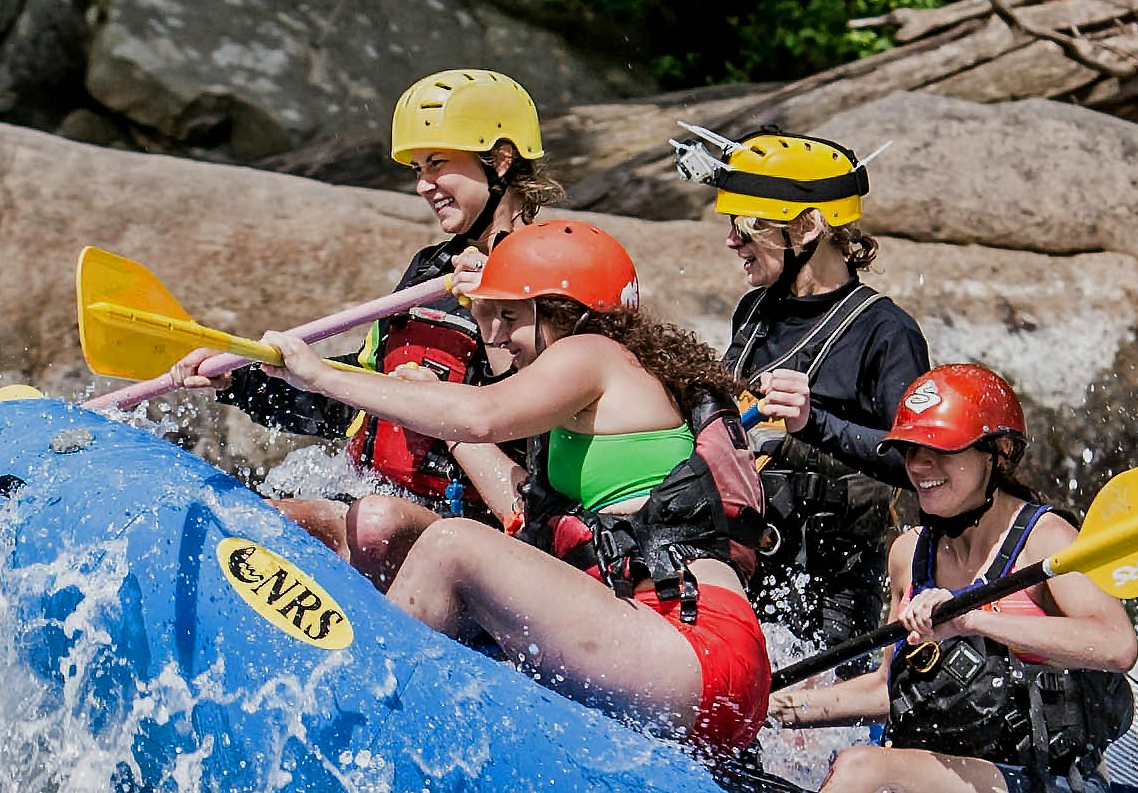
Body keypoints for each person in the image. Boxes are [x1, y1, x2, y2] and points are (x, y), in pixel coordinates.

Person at [208, 219, 773, 756]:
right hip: (662, 652)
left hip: (693, 652)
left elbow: (479, 415)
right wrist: (429, 405)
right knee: (384, 517)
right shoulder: (603, 396)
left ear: (562, 311)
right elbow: (519, 511)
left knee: (452, 544)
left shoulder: (591, 351)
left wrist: (320, 373)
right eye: (488, 316)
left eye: (509, 315)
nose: (497, 338)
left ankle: (349, 715)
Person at [763, 364, 1138, 793]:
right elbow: (885, 688)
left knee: (863, 767)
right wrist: (779, 710)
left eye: (941, 450)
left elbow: (1117, 645)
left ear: (997, 454)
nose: (920, 466)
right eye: (911, 451)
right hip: (944, 782)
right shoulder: (909, 554)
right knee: (773, 755)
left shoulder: (1045, 542)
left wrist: (973, 619)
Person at [215, 68, 540, 583]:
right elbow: (355, 396)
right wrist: (245, 380)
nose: (423, 185)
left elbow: (542, 438)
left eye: (437, 164)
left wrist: (443, 401)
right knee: (248, 524)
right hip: (373, 492)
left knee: (374, 523)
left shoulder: (552, 277)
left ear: (499, 159)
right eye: (417, 168)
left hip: (472, 529)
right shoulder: (430, 270)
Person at [680, 128, 930, 641]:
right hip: (737, 560)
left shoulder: (885, 332)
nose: (732, 242)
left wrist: (813, 421)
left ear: (809, 226)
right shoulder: (753, 311)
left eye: (747, 227)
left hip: (828, 589)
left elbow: (919, 464)